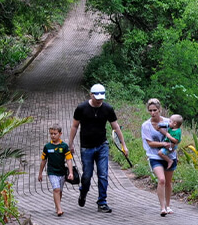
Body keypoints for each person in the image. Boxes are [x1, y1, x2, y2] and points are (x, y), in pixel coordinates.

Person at [69, 84, 127, 213]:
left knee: (103, 175)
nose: (100, 100)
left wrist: (124, 145)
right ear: (91, 95)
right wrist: (71, 143)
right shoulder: (81, 108)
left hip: (102, 145)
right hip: (86, 147)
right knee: (87, 176)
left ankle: (102, 202)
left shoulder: (108, 109)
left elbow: (116, 127)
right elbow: (74, 126)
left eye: (101, 98)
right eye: (97, 98)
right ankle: (83, 192)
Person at [141, 98, 178, 217]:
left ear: (160, 110)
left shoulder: (169, 122)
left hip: (170, 154)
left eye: (155, 110)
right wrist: (163, 144)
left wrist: (172, 144)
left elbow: (176, 136)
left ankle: (168, 205)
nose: (153, 113)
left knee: (168, 182)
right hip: (155, 156)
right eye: (150, 110)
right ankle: (162, 207)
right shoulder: (146, 125)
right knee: (161, 180)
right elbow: (150, 143)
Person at [38, 123, 74, 217]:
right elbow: (43, 160)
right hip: (52, 172)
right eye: (51, 134)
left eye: (55, 133)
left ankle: (57, 205)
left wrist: (70, 172)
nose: (53, 136)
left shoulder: (64, 146)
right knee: (56, 189)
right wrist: (40, 173)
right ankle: (59, 209)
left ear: (60, 134)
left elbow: (69, 159)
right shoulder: (47, 147)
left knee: (60, 191)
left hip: (61, 172)